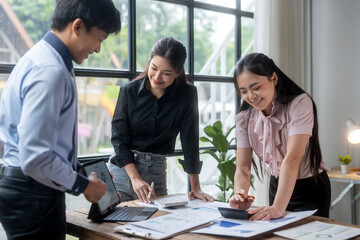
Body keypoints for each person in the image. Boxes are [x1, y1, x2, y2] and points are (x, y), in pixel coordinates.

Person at [0, 0, 121, 239]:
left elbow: (47, 144)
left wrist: (79, 173)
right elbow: (35, 156)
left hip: (24, 187)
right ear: (77, 26)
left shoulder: (38, 57)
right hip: (33, 193)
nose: (98, 48)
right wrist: (84, 186)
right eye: (100, 38)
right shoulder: (51, 70)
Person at [109, 37, 214, 203]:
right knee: (114, 226)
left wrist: (195, 187)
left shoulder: (187, 94)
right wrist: (135, 179)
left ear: (178, 73)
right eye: (154, 68)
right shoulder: (128, 91)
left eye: (166, 73)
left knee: (156, 224)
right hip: (122, 171)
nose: (157, 77)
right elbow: (119, 140)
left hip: (155, 173)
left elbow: (190, 141)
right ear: (149, 61)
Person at [229, 53, 331, 220]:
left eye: (256, 87)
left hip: (311, 188)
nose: (251, 96)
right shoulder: (244, 118)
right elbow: (242, 168)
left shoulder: (299, 104)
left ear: (274, 79)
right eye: (244, 91)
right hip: (277, 186)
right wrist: (240, 195)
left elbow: (292, 158)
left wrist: (277, 206)